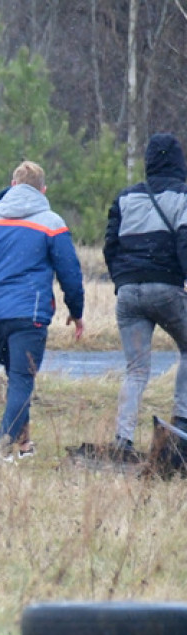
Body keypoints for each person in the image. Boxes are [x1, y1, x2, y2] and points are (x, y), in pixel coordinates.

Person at [0, 161, 85, 464]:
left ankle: (24, 446)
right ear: (43, 190)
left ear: (12, 185)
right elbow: (71, 274)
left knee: (17, 379)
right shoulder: (51, 222)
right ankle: (1, 450)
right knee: (21, 381)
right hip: (31, 314)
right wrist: (76, 312)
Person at [103, 132, 187, 460]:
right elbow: (184, 243)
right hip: (165, 289)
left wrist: (122, 281)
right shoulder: (183, 196)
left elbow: (110, 246)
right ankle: (181, 424)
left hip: (128, 293)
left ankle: (122, 440)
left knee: (136, 369)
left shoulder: (125, 198)